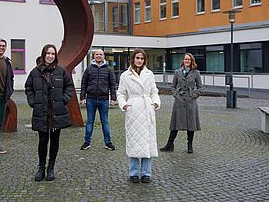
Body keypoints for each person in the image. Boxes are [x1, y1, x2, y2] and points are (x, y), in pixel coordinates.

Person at [24, 44, 74, 181]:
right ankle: (41, 168)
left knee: (55, 141)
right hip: (42, 112)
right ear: (43, 55)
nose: (50, 56)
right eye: (48, 53)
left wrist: (64, 99)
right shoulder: (35, 72)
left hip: (56, 113)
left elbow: (69, 86)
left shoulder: (61, 71)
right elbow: (28, 87)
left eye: (53, 54)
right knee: (42, 141)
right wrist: (33, 101)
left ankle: (51, 168)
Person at [117, 48, 160, 183]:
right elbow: (121, 93)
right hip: (134, 109)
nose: (139, 61)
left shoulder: (150, 74)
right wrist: (124, 104)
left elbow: (154, 91)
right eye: (137, 58)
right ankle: (134, 172)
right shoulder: (125, 75)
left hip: (147, 109)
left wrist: (156, 102)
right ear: (133, 59)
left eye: (142, 58)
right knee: (134, 141)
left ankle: (146, 173)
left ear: (144, 60)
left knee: (148, 142)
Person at [160, 53, 203, 154]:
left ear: (192, 61)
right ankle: (170, 144)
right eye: (185, 59)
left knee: (191, 124)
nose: (187, 61)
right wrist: (176, 94)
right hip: (179, 101)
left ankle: (190, 146)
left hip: (191, 101)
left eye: (189, 59)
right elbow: (172, 86)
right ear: (183, 60)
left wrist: (194, 96)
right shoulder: (177, 72)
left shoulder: (196, 73)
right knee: (175, 123)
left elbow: (200, 87)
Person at [79, 49, 117, 151]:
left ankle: (108, 143)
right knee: (90, 121)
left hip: (104, 100)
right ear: (94, 56)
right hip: (90, 99)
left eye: (100, 54)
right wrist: (82, 97)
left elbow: (112, 85)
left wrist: (113, 98)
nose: (99, 56)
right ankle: (87, 142)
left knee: (105, 121)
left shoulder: (108, 70)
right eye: (97, 54)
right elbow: (84, 84)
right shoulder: (89, 69)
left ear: (104, 56)